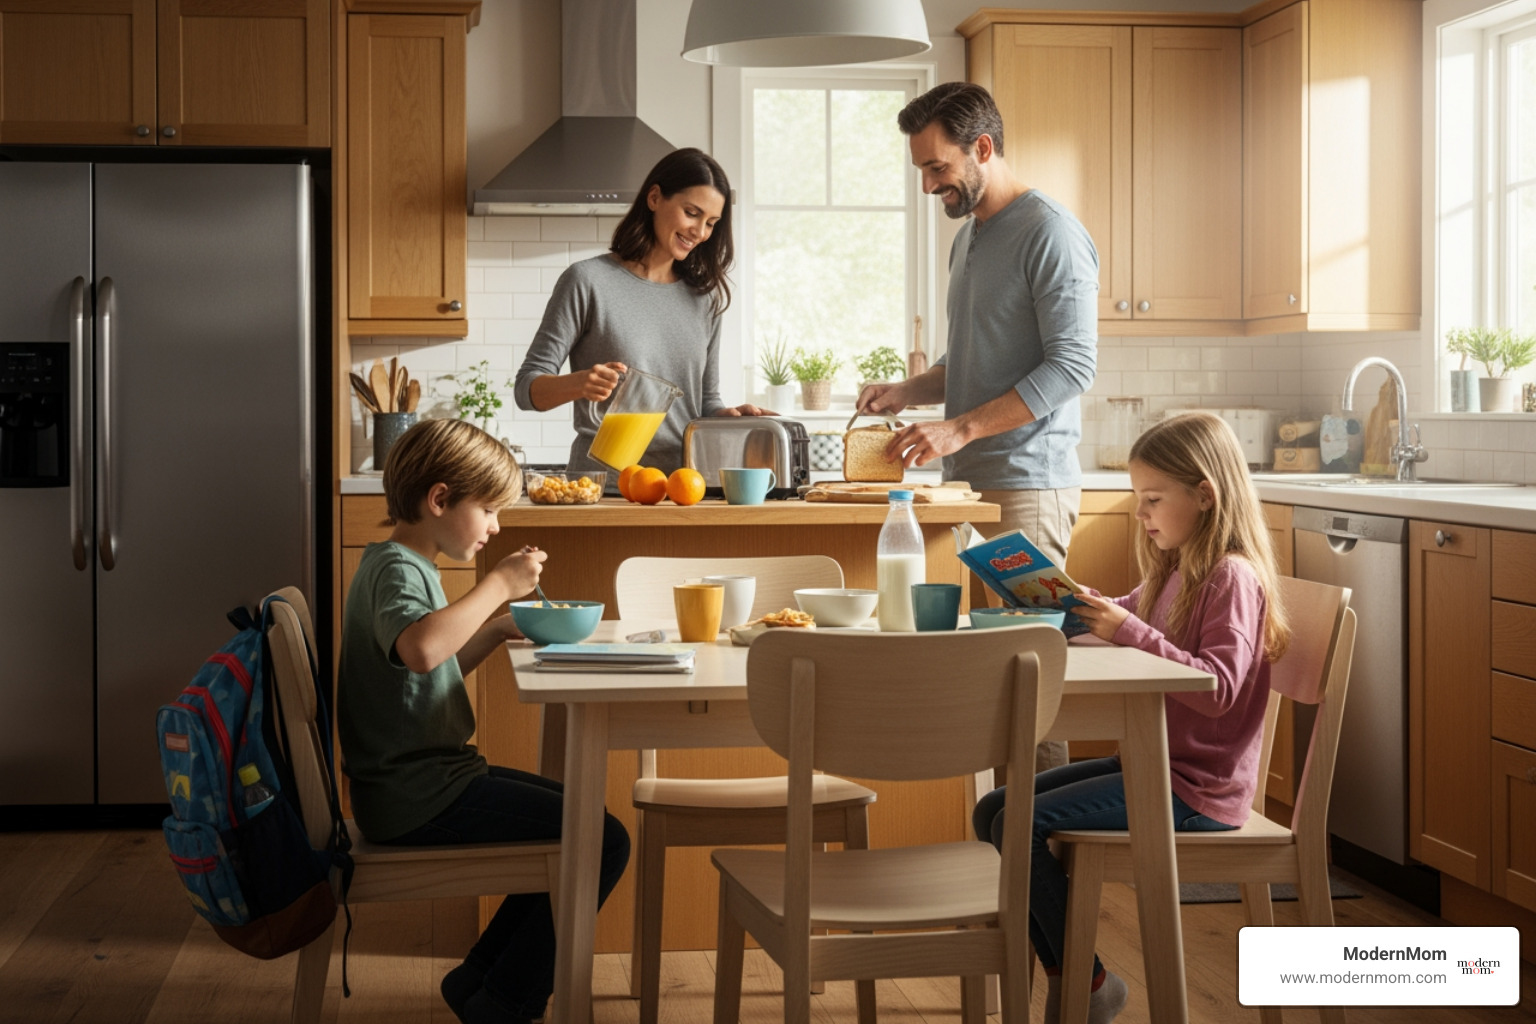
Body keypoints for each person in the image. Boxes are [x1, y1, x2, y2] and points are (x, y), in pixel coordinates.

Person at [971, 411, 1292, 1024]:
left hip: (1198, 791)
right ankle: (1082, 980)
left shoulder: (1232, 577)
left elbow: (1217, 686)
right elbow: (1127, 610)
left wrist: (1131, 632)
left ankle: (1085, 987)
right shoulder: (1178, 568)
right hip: (1155, 766)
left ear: (1205, 495)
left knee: (1018, 824)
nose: (1141, 515)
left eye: (1152, 499)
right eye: (1137, 500)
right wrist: (1072, 602)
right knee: (994, 809)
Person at [338, 418, 630, 1024]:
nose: (497, 526)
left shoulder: (397, 563)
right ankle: (503, 1001)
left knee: (583, 823)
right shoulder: (398, 569)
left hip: (421, 784)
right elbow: (421, 650)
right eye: (490, 509)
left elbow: (424, 667)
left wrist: (495, 629)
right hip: (418, 797)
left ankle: (480, 981)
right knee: (599, 838)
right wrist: (498, 584)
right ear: (439, 498)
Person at [863, 81, 1098, 771]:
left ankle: (1042, 859)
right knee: (986, 683)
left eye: (938, 168)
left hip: (1028, 488)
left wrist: (959, 431)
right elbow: (969, 359)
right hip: (969, 493)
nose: (930, 184)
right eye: (922, 171)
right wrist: (908, 388)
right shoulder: (969, 241)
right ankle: (1001, 842)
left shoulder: (1049, 232)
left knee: (1029, 677)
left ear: (983, 149)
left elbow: (1073, 366)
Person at [514, 148, 767, 480]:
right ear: (654, 198)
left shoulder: (705, 297)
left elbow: (704, 402)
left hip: (682, 486)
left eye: (711, 223)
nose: (700, 232)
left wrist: (728, 417)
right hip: (602, 487)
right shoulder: (588, 281)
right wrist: (579, 383)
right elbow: (526, 389)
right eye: (692, 213)